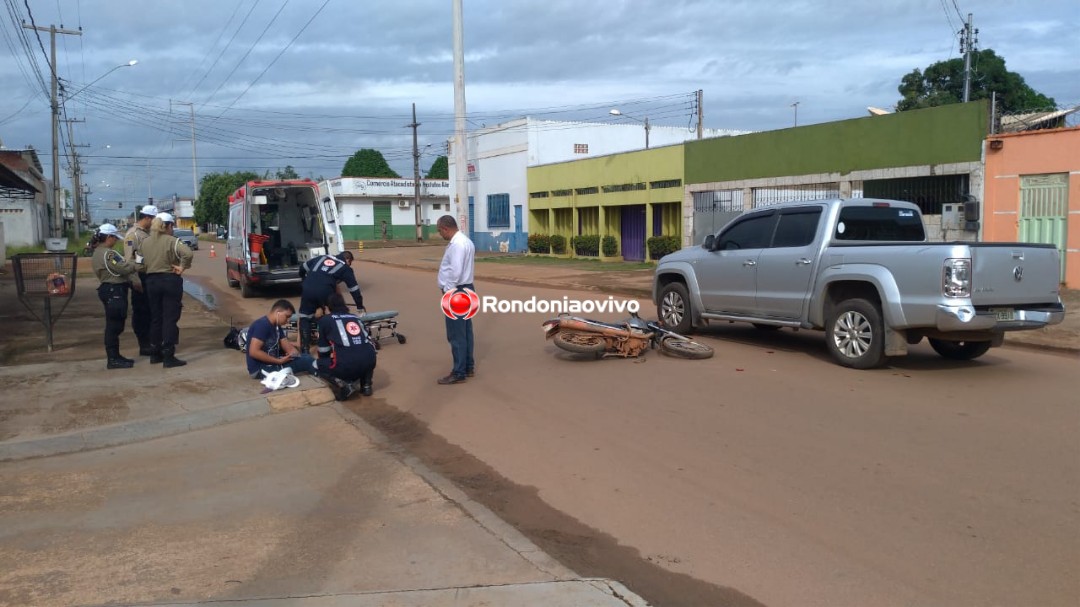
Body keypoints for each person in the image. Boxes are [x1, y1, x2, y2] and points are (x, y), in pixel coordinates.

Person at [141, 212, 194, 368]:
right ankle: (168, 355)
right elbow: (188, 253)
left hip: (151, 281)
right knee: (170, 319)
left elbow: (138, 262)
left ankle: (155, 353)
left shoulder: (145, 242)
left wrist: (148, 268)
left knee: (156, 318)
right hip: (169, 281)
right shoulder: (173, 241)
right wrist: (182, 267)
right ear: (169, 226)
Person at [90, 223, 141, 369]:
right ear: (109, 237)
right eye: (115, 238)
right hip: (114, 291)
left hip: (110, 290)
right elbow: (124, 268)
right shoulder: (109, 254)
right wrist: (138, 260)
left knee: (114, 325)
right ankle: (113, 359)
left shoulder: (99, 252)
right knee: (114, 326)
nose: (116, 241)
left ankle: (115, 356)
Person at [297, 250, 365, 352]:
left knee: (305, 317)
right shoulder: (345, 267)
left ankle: (305, 350)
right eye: (350, 262)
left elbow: (303, 268)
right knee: (332, 315)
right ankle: (332, 343)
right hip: (326, 290)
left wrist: (304, 280)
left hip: (307, 288)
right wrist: (360, 307)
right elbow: (354, 289)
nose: (349, 265)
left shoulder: (322, 257)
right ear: (348, 259)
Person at [436, 215, 476, 385]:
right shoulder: (465, 241)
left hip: (457, 291)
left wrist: (447, 289)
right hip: (466, 289)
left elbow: (456, 271)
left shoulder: (458, 244)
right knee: (465, 331)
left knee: (456, 333)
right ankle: (468, 366)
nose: (440, 235)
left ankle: (459, 372)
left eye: (440, 231)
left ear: (446, 228)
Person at [316, 292, 377, 400]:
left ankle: (344, 385)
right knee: (364, 354)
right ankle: (366, 385)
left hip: (347, 364)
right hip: (370, 359)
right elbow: (367, 339)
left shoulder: (325, 320)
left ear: (327, 307)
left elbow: (323, 350)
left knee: (317, 364)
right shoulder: (355, 318)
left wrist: (326, 361)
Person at [245, 299, 317, 379]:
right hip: (260, 369)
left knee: (305, 357)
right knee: (306, 361)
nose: (288, 320)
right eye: (287, 316)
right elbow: (254, 352)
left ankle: (319, 370)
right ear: (277, 312)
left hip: (271, 363)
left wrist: (295, 355)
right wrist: (278, 361)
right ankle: (321, 374)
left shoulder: (276, 326)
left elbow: (288, 347)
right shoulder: (262, 325)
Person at [123, 204, 159, 355]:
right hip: (139, 278)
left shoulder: (148, 233)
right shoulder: (133, 235)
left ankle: (151, 342)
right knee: (141, 313)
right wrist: (135, 280)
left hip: (149, 276)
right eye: (154, 219)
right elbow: (129, 259)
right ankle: (143, 344)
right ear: (147, 218)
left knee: (151, 312)